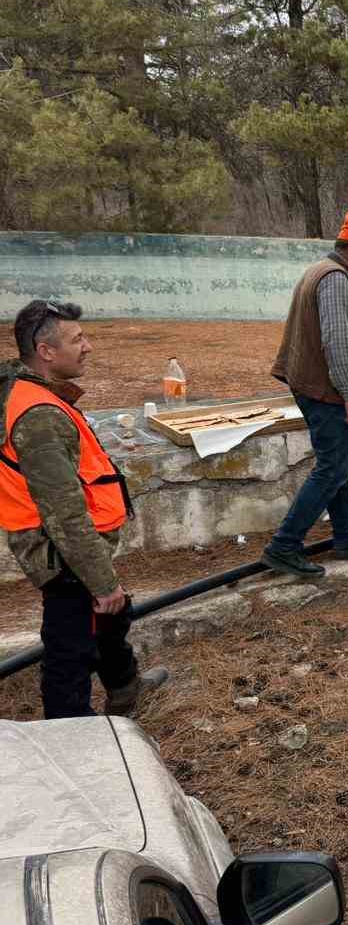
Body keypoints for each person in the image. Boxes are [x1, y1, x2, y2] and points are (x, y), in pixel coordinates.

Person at [1, 301, 169, 719]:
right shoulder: (38, 416)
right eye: (77, 339)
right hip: (62, 554)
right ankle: (71, 734)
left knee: (111, 617)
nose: (88, 346)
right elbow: (64, 513)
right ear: (46, 351)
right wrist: (99, 580)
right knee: (70, 650)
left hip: (71, 547)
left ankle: (124, 685)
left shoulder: (34, 394)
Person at [264, 209, 348, 579]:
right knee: (331, 469)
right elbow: (336, 343)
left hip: (316, 385)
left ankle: (347, 535)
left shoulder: (327, 270)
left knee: (337, 467)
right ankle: (284, 545)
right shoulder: (336, 279)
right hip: (325, 390)